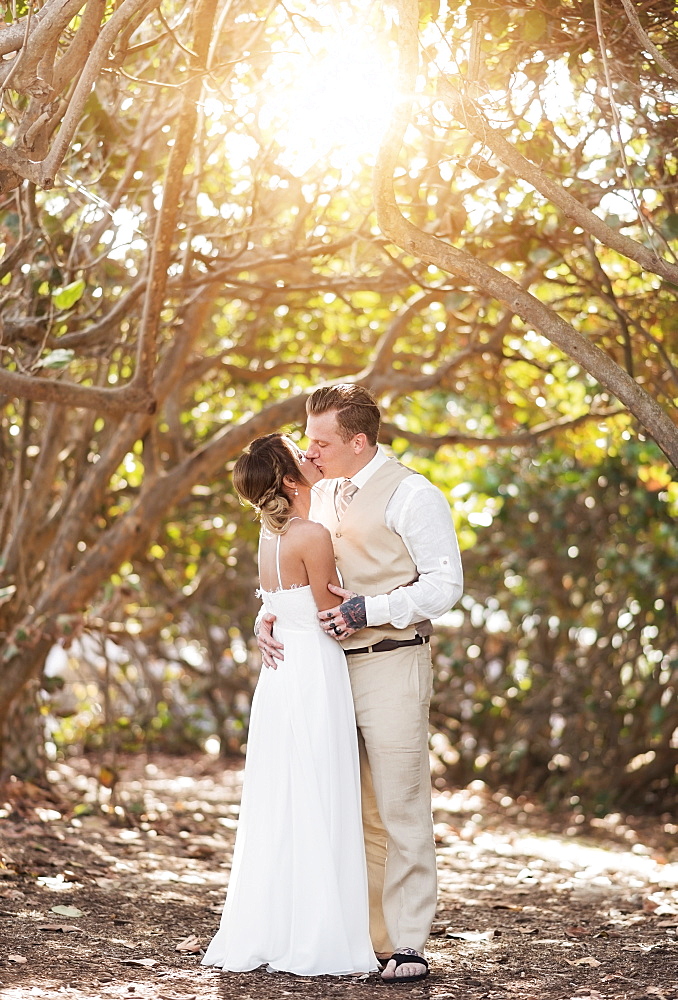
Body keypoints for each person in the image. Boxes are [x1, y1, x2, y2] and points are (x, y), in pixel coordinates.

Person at [257, 384, 463, 984]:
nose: (309, 452)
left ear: (358, 440)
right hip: (325, 670)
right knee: (352, 806)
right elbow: (292, 577)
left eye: (320, 442)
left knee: (400, 806)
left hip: (393, 661)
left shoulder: (412, 493)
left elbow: (445, 585)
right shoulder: (317, 498)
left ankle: (408, 943)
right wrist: (265, 618)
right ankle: (366, 938)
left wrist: (367, 611)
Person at [202, 433, 376, 977]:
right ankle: (319, 934)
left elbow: (279, 603)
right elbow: (333, 613)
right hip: (314, 673)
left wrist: (265, 618)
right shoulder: (312, 534)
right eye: (301, 456)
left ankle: (279, 926)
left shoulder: (269, 535)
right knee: (320, 794)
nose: (310, 454)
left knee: (284, 802)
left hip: (280, 678)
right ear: (289, 479)